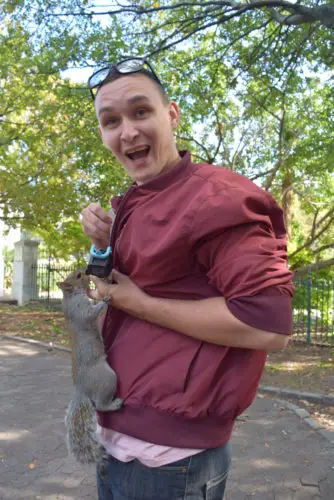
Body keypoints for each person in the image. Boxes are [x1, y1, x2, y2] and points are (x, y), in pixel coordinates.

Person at [81, 57, 294, 500]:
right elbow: (114, 287)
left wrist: (135, 302)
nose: (128, 132)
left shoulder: (218, 196)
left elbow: (267, 326)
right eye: (111, 121)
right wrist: (103, 244)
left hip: (171, 462)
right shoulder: (134, 202)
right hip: (116, 440)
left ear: (171, 114)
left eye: (141, 112)